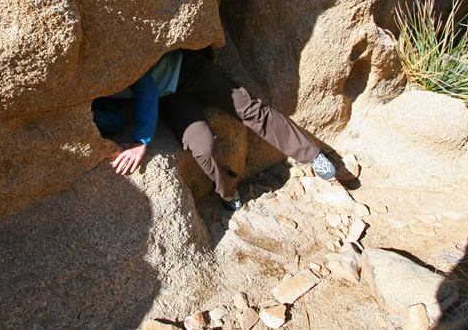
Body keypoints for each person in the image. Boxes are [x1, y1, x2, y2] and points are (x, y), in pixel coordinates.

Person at [92, 49, 336, 210]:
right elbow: (113, 118)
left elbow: (145, 86)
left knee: (249, 109)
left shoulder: (109, 61)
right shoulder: (91, 90)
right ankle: (229, 193)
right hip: (169, 98)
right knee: (203, 147)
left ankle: (312, 155)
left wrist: (141, 140)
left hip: (188, 69)